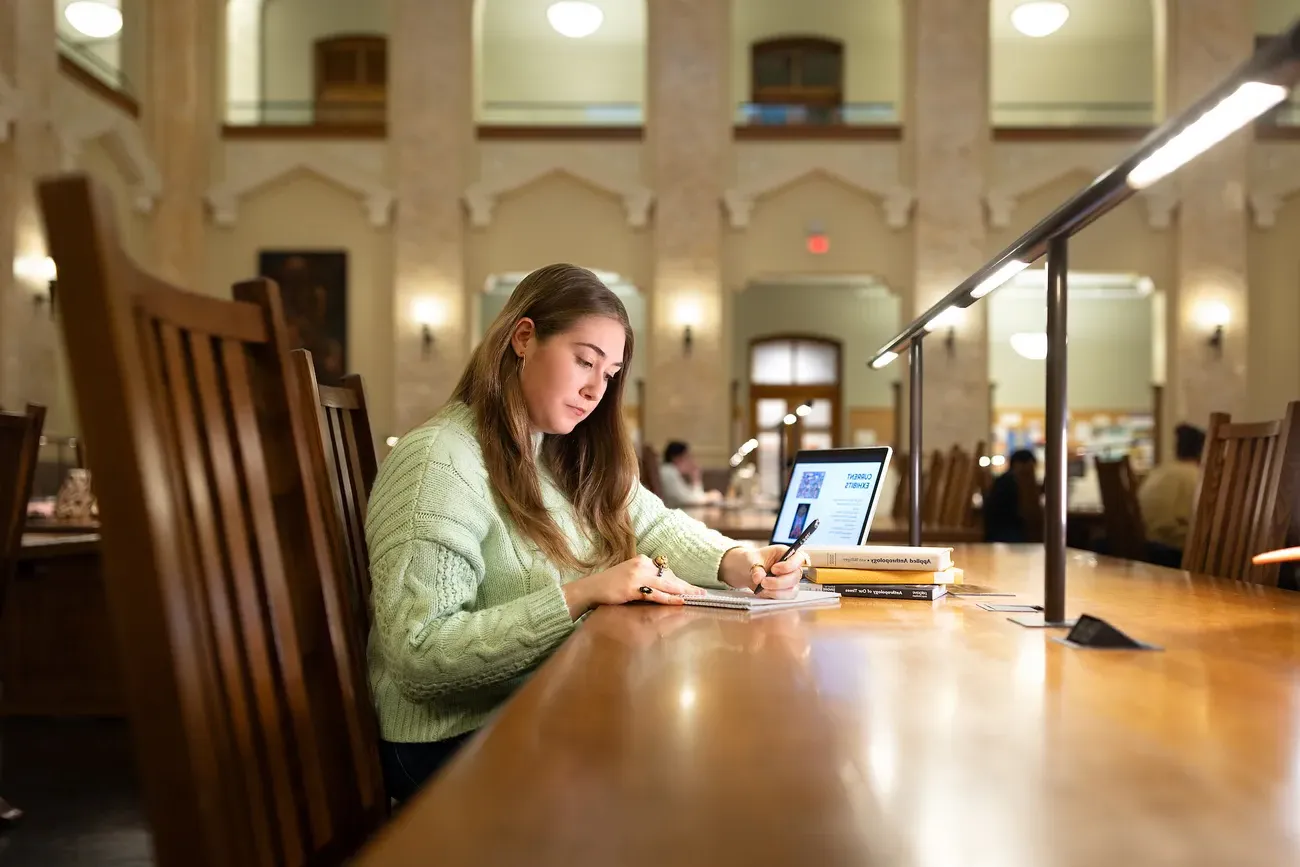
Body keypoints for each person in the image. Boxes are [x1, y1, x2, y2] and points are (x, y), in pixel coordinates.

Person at [365, 264, 807, 803]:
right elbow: (418, 654)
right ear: (523, 339)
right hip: (447, 743)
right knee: (697, 771)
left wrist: (739, 559)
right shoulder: (440, 460)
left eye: (611, 372)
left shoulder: (554, 456)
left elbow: (654, 522)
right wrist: (583, 595)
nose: (596, 388)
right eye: (584, 360)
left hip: (530, 706)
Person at [1138, 423, 1206, 566]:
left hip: (1143, 545)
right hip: (1167, 552)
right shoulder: (1194, 476)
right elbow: (1199, 520)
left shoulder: (1159, 471)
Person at [983, 449, 1038, 543]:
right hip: (1005, 533)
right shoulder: (1013, 482)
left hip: (996, 531)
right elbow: (1025, 512)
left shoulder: (1003, 480)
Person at [659, 441, 722, 508]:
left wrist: (695, 478)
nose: (691, 461)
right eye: (687, 457)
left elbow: (692, 497)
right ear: (677, 458)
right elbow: (686, 500)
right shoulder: (668, 471)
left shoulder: (671, 471)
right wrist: (709, 497)